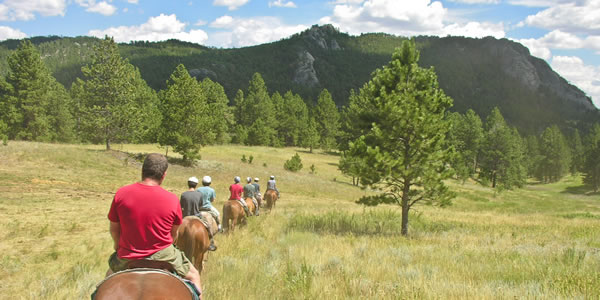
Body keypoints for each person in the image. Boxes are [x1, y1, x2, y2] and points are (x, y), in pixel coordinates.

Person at [106, 153, 201, 294]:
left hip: (127, 255)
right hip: (164, 255)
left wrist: (117, 246)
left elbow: (114, 230)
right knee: (194, 276)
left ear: (142, 170)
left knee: (105, 285)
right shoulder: (172, 199)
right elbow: (174, 234)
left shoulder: (121, 194)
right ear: (163, 175)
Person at [180, 176, 217, 251]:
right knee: (208, 226)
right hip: (197, 216)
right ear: (196, 185)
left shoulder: (183, 194)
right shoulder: (199, 195)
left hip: (185, 216)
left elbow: (181, 206)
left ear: (188, 184)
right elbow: (200, 205)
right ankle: (211, 242)